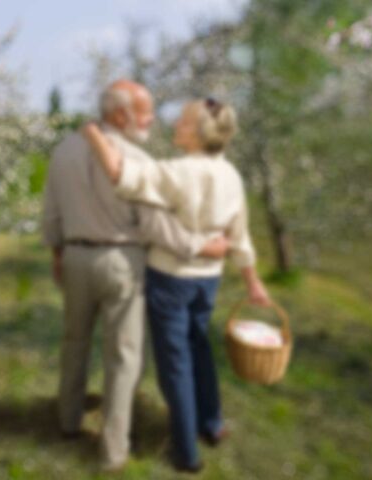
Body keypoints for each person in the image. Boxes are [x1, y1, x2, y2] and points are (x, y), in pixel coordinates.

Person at [41, 80, 228, 472]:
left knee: (74, 342)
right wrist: (200, 246)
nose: (151, 118)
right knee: (123, 358)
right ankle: (113, 451)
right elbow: (157, 227)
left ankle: (68, 422)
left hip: (75, 257)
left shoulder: (64, 149)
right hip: (123, 261)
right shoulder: (137, 160)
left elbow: (52, 212)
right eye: (145, 111)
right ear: (120, 114)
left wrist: (59, 254)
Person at [82, 98, 272, 473]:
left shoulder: (176, 172)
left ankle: (186, 453)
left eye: (183, 122)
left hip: (170, 279)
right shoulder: (231, 176)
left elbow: (120, 174)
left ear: (200, 133)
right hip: (208, 280)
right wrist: (253, 282)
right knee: (200, 348)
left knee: (176, 365)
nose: (175, 125)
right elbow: (239, 235)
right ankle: (212, 424)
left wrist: (94, 135)